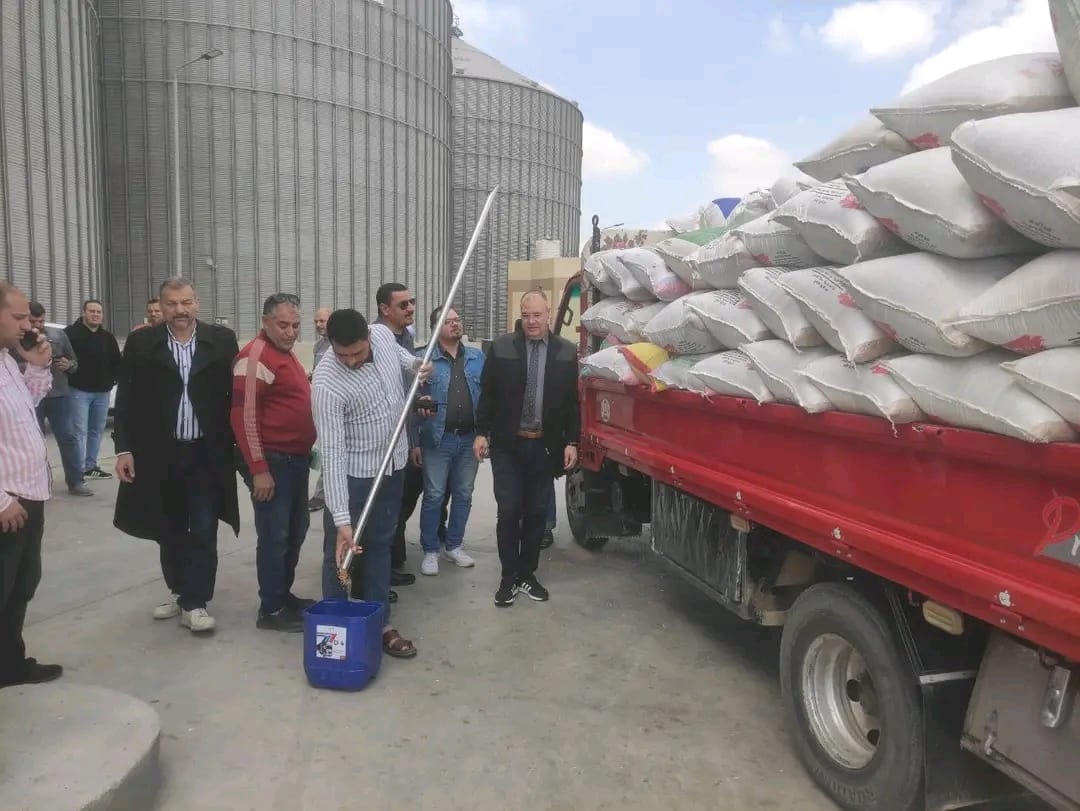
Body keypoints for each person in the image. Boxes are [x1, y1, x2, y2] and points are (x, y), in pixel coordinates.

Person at [113, 277, 240, 634]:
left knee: (203, 527)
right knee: (168, 528)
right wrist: (124, 448)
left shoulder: (221, 341)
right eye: (172, 303)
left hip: (206, 454)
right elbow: (127, 400)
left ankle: (196, 601)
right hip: (160, 454)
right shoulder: (142, 343)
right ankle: (180, 590)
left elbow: (236, 396)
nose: (180, 310)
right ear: (161, 306)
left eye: (186, 302)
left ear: (197, 303)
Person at [312, 309, 430, 659]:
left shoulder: (381, 335)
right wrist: (341, 519)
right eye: (342, 354)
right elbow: (332, 454)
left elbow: (401, 356)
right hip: (354, 478)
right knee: (341, 556)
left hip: (392, 467)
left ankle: (379, 622)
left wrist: (416, 365)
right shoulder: (326, 382)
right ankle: (335, 629)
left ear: (368, 338)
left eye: (357, 353)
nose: (350, 361)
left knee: (380, 546)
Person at [475, 290, 579, 606]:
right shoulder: (502, 347)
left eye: (537, 315)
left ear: (549, 313)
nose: (531, 321)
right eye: (526, 315)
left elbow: (573, 403)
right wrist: (481, 433)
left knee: (536, 513)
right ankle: (508, 578)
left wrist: (572, 441)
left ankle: (527, 575)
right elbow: (488, 394)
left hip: (544, 447)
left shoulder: (566, 351)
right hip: (508, 445)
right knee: (509, 511)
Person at [232, 294, 318, 633]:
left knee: (295, 530)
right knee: (275, 535)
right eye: (283, 325)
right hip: (273, 462)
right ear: (265, 322)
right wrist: (259, 470)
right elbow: (244, 418)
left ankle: (283, 595)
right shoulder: (255, 356)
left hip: (295, 461)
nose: (290, 332)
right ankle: (271, 609)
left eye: (295, 326)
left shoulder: (285, 355)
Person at [0, 282, 63, 686]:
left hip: (29, 494)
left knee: (20, 586)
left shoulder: (7, 360)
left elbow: (28, 406)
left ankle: (9, 665)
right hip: (7, 502)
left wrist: (38, 366)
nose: (28, 325)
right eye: (19, 317)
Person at [417, 306, 481, 576]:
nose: (455, 324)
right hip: (437, 440)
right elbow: (409, 399)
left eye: (458, 319)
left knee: (464, 494)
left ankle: (454, 545)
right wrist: (414, 441)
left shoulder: (477, 358)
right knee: (434, 495)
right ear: (436, 328)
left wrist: (485, 434)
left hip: (468, 439)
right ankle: (431, 550)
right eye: (448, 321)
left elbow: (488, 397)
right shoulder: (423, 360)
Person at [375, 282, 420, 588]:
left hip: (404, 435)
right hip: (380, 443)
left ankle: (391, 564)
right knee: (382, 511)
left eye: (411, 302)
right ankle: (375, 575)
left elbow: (406, 384)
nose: (410, 308)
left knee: (399, 504)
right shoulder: (375, 339)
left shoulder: (406, 337)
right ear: (385, 309)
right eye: (403, 305)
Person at [27, 302, 89, 497]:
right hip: (31, 398)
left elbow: (75, 363)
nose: (37, 325)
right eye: (33, 321)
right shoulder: (17, 338)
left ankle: (76, 481)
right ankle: (38, 483)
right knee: (34, 443)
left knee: (68, 438)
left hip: (59, 395)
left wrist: (69, 365)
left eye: (41, 320)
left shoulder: (58, 335)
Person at [65, 299, 121, 482]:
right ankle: (78, 470)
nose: (95, 315)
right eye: (92, 311)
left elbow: (117, 361)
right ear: (84, 313)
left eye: (98, 312)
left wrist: (114, 379)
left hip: (102, 392)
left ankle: (91, 467)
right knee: (79, 432)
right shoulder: (70, 334)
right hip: (78, 391)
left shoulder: (107, 337)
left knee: (96, 431)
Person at [308, 306, 331, 513]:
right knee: (322, 451)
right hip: (319, 405)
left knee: (329, 451)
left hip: (334, 407)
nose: (318, 325)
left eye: (322, 321)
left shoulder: (338, 345)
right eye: (316, 321)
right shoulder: (318, 346)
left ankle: (321, 494)